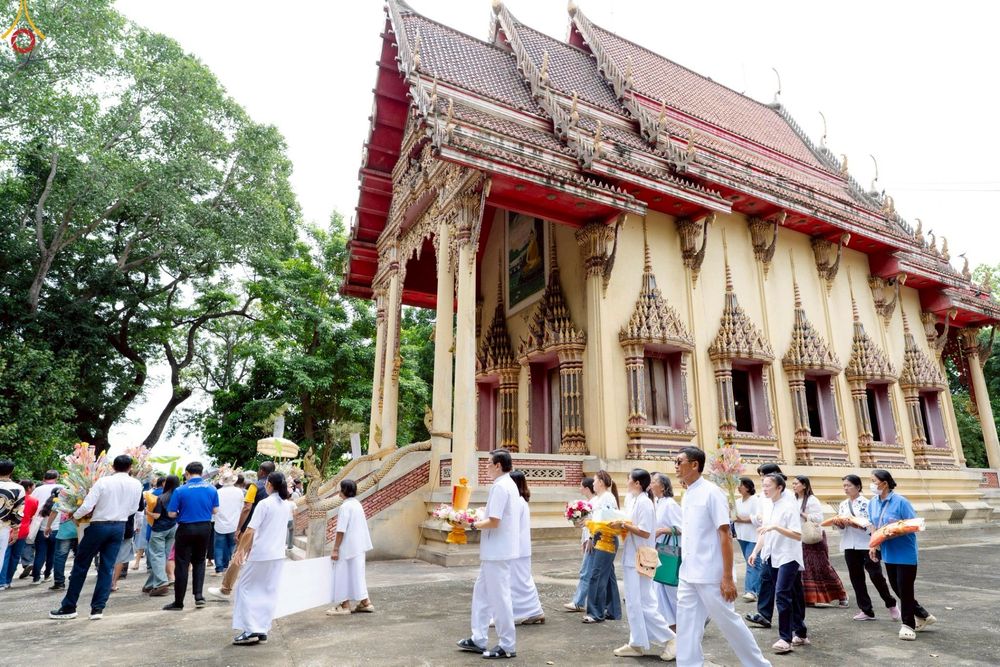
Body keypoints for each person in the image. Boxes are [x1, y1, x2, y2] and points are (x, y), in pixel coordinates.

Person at [674, 447, 771, 667]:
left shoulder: (712, 492)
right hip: (688, 572)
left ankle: (759, 665)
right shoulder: (687, 493)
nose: (676, 466)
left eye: (679, 461)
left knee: (729, 623)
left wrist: (727, 577)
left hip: (711, 574)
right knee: (687, 625)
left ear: (695, 464)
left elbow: (725, 534)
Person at [49, 454, 143, 620]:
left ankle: (69, 606)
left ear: (113, 467)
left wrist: (76, 516)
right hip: (119, 526)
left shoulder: (104, 481)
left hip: (99, 525)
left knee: (81, 565)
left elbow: (87, 505)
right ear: (130, 468)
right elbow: (134, 509)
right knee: (107, 567)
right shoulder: (136, 484)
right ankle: (97, 608)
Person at [457, 449, 520, 660]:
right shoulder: (505, 484)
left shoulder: (502, 486)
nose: (486, 467)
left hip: (498, 552)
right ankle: (479, 638)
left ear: (498, 465)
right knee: (481, 594)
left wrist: (471, 524)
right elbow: (493, 515)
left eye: (488, 463)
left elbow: (494, 521)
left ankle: (507, 644)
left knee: (499, 598)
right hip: (494, 551)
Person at [611, 468, 676, 660]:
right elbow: (631, 526)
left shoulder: (646, 503)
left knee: (642, 603)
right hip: (633, 557)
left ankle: (671, 639)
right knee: (635, 603)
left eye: (629, 478)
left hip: (642, 559)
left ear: (638, 483)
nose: (627, 481)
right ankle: (637, 642)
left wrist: (624, 525)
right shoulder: (633, 500)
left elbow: (646, 532)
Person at [867, 469, 936, 641]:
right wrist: (873, 545)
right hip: (888, 552)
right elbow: (873, 526)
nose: (872, 484)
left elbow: (914, 525)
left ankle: (907, 625)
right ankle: (922, 614)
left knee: (905, 588)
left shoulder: (901, 502)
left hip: (905, 552)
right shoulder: (873, 503)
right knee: (897, 588)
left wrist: (894, 531)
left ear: (885, 483)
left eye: (874, 481)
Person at [230, 471, 295, 645]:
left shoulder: (265, 504)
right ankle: (262, 628)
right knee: (268, 591)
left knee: (245, 588)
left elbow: (250, 530)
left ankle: (251, 629)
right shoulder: (286, 505)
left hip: (261, 554)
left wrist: (240, 551)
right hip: (277, 555)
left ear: (269, 485)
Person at [750, 473, 806, 654]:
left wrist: (775, 527)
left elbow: (797, 535)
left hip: (789, 556)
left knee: (781, 594)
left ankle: (785, 638)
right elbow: (764, 532)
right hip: (772, 555)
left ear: (779, 488)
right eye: (763, 485)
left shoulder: (789, 507)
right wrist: (755, 552)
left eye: (768, 486)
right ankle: (802, 632)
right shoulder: (767, 506)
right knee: (794, 594)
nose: (764, 489)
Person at [832, 474, 899, 621]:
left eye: (848, 485)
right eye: (844, 486)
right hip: (850, 544)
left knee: (876, 576)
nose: (846, 488)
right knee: (856, 578)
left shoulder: (869, 504)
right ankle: (866, 610)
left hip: (867, 544)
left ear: (858, 487)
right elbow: (842, 530)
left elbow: (872, 525)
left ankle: (891, 603)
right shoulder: (843, 504)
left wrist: (857, 524)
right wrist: (840, 524)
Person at [207, 461, 275, 602]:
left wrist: (239, 528)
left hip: (251, 527)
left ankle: (225, 589)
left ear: (262, 471)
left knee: (238, 556)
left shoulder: (255, 486)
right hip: (269, 529)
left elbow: (246, 508)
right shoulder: (278, 487)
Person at [162, 462, 219, 611]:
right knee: (200, 561)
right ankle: (199, 596)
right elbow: (215, 510)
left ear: (187, 473)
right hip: (205, 527)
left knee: (182, 564)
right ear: (201, 473)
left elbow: (172, 513)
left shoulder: (180, 490)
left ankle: (179, 602)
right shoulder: (212, 489)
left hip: (186, 528)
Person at [745, 462, 791, 629]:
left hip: (786, 549)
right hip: (769, 546)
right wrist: (756, 550)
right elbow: (764, 521)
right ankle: (764, 615)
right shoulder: (764, 497)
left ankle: (796, 628)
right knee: (766, 579)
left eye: (764, 475)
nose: (762, 480)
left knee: (787, 590)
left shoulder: (788, 496)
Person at [792, 475, 847, 607]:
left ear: (804, 485)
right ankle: (809, 598)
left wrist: (801, 513)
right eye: (792, 484)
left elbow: (818, 518)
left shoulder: (812, 500)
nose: (793, 486)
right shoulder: (792, 500)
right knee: (805, 568)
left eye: (796, 484)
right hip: (799, 537)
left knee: (822, 567)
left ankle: (841, 595)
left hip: (813, 538)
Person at [325, 479, 374, 616]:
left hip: (347, 547)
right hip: (358, 546)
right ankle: (366, 602)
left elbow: (341, 530)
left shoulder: (345, 507)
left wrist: (335, 549)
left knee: (342, 574)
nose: (339, 491)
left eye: (340, 489)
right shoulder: (357, 504)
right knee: (357, 575)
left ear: (344, 491)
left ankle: (344, 605)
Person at [581, 469, 622, 624]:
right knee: (608, 576)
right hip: (600, 537)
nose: (593, 483)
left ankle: (595, 613)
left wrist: (592, 535)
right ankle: (612, 610)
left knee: (596, 575)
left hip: (606, 539)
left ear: (601, 482)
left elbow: (606, 522)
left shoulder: (607, 498)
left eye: (595, 480)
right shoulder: (600, 498)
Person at [507, 470, 543, 625]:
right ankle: (532, 610)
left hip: (517, 548)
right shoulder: (521, 501)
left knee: (518, 582)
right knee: (521, 581)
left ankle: (529, 611)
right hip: (520, 548)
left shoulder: (517, 501)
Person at [651, 472, 682, 630]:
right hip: (659, 549)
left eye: (654, 481)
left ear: (662, 486)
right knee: (659, 587)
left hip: (669, 550)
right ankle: (671, 623)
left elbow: (682, 528)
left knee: (671, 589)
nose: (651, 484)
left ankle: (686, 621)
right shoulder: (658, 502)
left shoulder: (670, 504)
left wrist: (662, 530)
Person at [564, 476, 595, 612]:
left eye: (581, 486)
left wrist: (590, 539)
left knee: (585, 571)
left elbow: (593, 525)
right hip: (588, 539)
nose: (579, 488)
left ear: (587, 488)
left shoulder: (594, 503)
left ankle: (579, 602)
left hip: (592, 540)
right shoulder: (588, 503)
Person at [145, 475, 179, 596]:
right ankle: (149, 584)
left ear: (166, 483)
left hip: (160, 529)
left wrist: (148, 512)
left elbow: (157, 516)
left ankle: (160, 583)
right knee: (165, 555)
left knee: (156, 555)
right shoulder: (178, 495)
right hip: (173, 528)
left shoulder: (161, 498)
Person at [29, 470, 63, 585]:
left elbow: (32, 505)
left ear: (44, 478)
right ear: (57, 478)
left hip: (41, 527)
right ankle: (47, 574)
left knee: (40, 553)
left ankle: (36, 577)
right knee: (52, 553)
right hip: (57, 528)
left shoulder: (38, 490)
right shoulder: (63, 488)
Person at [1, 480, 36, 589]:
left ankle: (2, 581)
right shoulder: (33, 500)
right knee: (15, 557)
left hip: (7, 529)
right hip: (22, 530)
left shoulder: (7, 495)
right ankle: (8, 581)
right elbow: (31, 514)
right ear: (29, 487)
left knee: (5, 555)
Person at [733, 477, 763, 603]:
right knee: (752, 562)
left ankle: (750, 591)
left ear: (748, 487)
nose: (739, 487)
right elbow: (733, 516)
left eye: (741, 485)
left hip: (754, 536)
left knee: (753, 563)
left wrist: (742, 519)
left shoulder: (755, 500)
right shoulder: (737, 501)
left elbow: (759, 518)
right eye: (737, 485)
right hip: (741, 536)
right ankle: (761, 588)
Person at [0, 462, 26, 591]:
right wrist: (15, 530)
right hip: (3, 527)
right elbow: (19, 512)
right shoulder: (18, 488)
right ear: (12, 471)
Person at [214, 470, 244, 576]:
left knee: (219, 546)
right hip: (234, 523)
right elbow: (242, 507)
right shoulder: (239, 492)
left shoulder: (217, 492)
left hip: (220, 523)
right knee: (231, 545)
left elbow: (214, 508)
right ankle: (227, 566)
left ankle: (219, 568)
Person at [45, 500, 77, 591]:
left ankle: (59, 582)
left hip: (65, 530)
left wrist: (48, 526)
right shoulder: (85, 493)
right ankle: (75, 578)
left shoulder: (64, 494)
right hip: (80, 529)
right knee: (79, 556)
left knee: (60, 557)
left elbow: (54, 511)